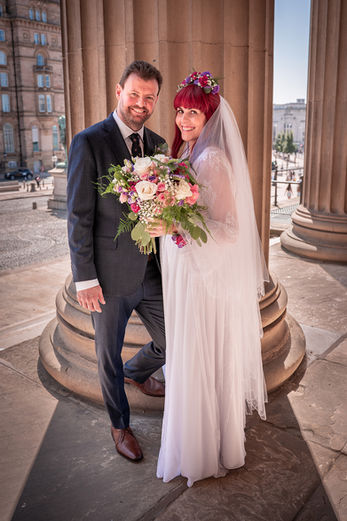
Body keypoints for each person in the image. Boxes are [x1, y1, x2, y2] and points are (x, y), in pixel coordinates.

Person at [153, 71, 269, 487]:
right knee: (186, 355)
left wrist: (174, 228)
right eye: (180, 111)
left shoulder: (212, 159)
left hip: (203, 279)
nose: (184, 119)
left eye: (193, 113)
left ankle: (202, 451)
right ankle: (193, 441)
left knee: (197, 354)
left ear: (209, 116)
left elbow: (232, 230)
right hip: (187, 272)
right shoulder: (185, 153)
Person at [67, 61, 166, 462]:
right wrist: (84, 278)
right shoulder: (89, 141)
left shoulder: (159, 146)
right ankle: (120, 425)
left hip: (152, 273)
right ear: (118, 91)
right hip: (106, 278)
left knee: (174, 340)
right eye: (134, 94)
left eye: (149, 97)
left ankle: (137, 372)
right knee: (106, 354)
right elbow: (79, 216)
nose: (141, 104)